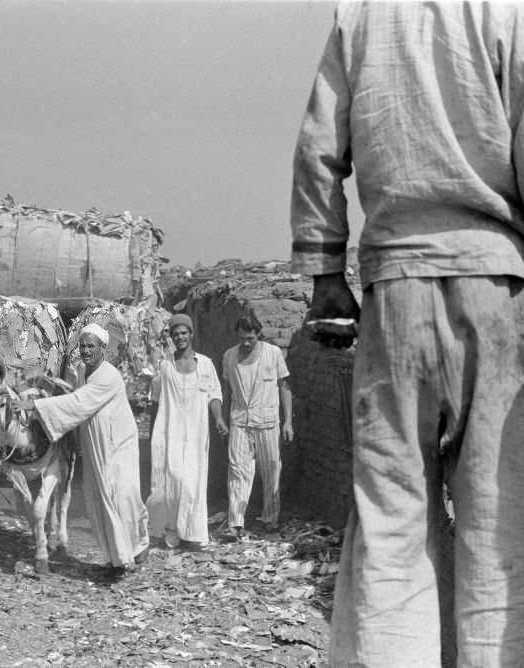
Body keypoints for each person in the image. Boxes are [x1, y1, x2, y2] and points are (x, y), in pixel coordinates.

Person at [290, 3, 524, 665]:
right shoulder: (509, 12)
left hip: (395, 291)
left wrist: (324, 271)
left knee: (392, 526)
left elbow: (318, 149)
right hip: (497, 290)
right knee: (499, 528)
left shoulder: (361, 15)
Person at [18, 323, 150, 577]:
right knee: (100, 497)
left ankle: (139, 544)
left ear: (103, 349)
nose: (86, 350)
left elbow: (78, 402)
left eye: (91, 346)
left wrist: (35, 406)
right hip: (95, 444)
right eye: (83, 346)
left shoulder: (108, 376)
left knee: (124, 495)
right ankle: (117, 559)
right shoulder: (81, 371)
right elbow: (74, 399)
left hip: (118, 443)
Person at [146, 314, 228, 550]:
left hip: (196, 431)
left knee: (192, 482)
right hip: (169, 430)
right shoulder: (165, 366)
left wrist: (219, 419)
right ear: (171, 337)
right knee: (173, 480)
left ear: (191, 334)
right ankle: (173, 530)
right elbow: (156, 401)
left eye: (184, 333)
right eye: (175, 334)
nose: (180, 338)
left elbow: (214, 395)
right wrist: (155, 436)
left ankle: (193, 532)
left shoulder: (205, 364)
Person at [220, 316, 292, 539]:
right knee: (237, 470)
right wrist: (223, 420)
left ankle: (270, 519)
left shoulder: (273, 353)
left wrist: (288, 421)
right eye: (242, 338)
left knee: (271, 470)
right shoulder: (229, 356)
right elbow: (227, 391)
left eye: (250, 338)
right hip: (240, 420)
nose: (246, 343)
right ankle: (236, 523)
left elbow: (285, 387)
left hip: (268, 420)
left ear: (258, 334)